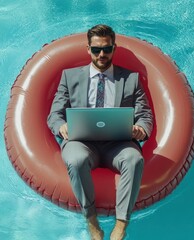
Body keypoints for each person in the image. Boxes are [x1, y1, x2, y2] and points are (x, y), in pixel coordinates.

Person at [47, 24, 153, 240]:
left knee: (134, 159)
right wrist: (62, 126)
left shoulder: (130, 79)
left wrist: (141, 129)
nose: (102, 54)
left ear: (114, 48)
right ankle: (92, 220)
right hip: (81, 142)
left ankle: (121, 224)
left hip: (119, 144)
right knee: (76, 160)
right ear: (88, 49)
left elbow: (145, 115)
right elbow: (54, 115)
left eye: (107, 49)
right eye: (96, 49)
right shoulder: (69, 77)